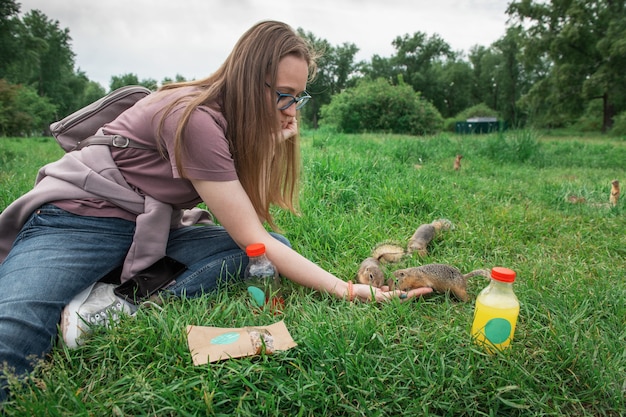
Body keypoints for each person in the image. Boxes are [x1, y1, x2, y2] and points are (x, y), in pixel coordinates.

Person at [0, 20, 432, 401]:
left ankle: (113, 298)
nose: (290, 111)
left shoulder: (229, 119)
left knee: (266, 253)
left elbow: (249, 218)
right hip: (77, 220)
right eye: (284, 95)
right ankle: (98, 289)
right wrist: (343, 289)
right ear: (248, 80)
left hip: (147, 230)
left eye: (298, 98)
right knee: (13, 330)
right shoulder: (196, 118)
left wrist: (268, 142)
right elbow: (249, 231)